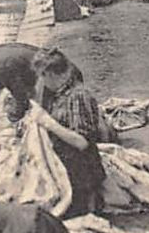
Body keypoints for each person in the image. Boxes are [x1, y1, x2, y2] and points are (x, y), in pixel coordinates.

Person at [27, 49, 113, 218]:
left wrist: (48, 122)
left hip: (81, 173)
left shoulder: (78, 97)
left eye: (41, 76)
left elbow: (82, 143)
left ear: (50, 74)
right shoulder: (60, 93)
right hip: (66, 162)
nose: (41, 81)